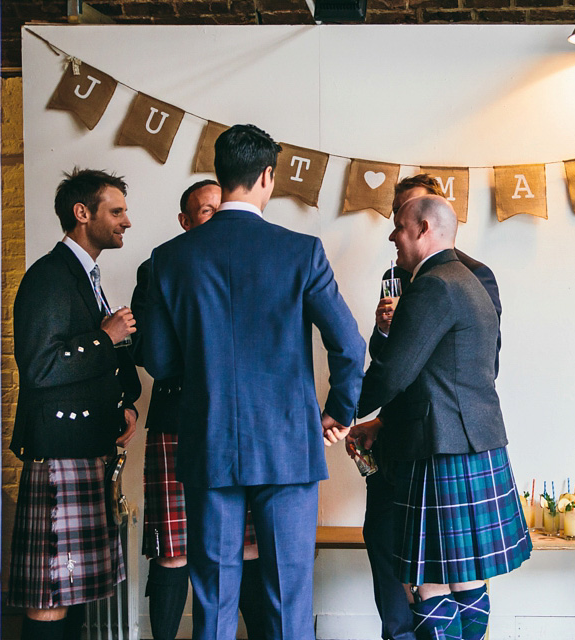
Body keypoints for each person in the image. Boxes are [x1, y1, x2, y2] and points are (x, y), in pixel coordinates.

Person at [142, 123, 366, 640]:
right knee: (289, 596)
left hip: (210, 439)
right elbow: (350, 347)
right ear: (267, 177)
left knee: (214, 598)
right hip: (289, 442)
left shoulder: (170, 258)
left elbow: (159, 361)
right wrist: (337, 410)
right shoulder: (302, 251)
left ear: (221, 178)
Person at [354, 195, 531, 640]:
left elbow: (393, 370)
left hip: (438, 447)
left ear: (424, 228)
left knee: (427, 583)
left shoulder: (432, 285)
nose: (393, 235)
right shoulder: (468, 279)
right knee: (466, 579)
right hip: (474, 442)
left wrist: (336, 412)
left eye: (399, 226)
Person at [7, 168, 141, 640]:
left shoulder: (85, 275)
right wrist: (106, 337)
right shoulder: (49, 275)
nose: (127, 221)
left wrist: (124, 406)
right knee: (52, 595)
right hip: (60, 452)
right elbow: (42, 365)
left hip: (85, 447)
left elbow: (93, 362)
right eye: (117, 211)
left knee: (76, 590)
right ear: (82, 213)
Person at [130, 180, 266, 640]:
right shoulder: (159, 267)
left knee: (247, 544)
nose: (215, 215)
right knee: (173, 547)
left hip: (240, 425)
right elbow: (148, 351)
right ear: (186, 222)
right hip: (177, 419)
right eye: (204, 211)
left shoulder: (251, 260)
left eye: (218, 207)